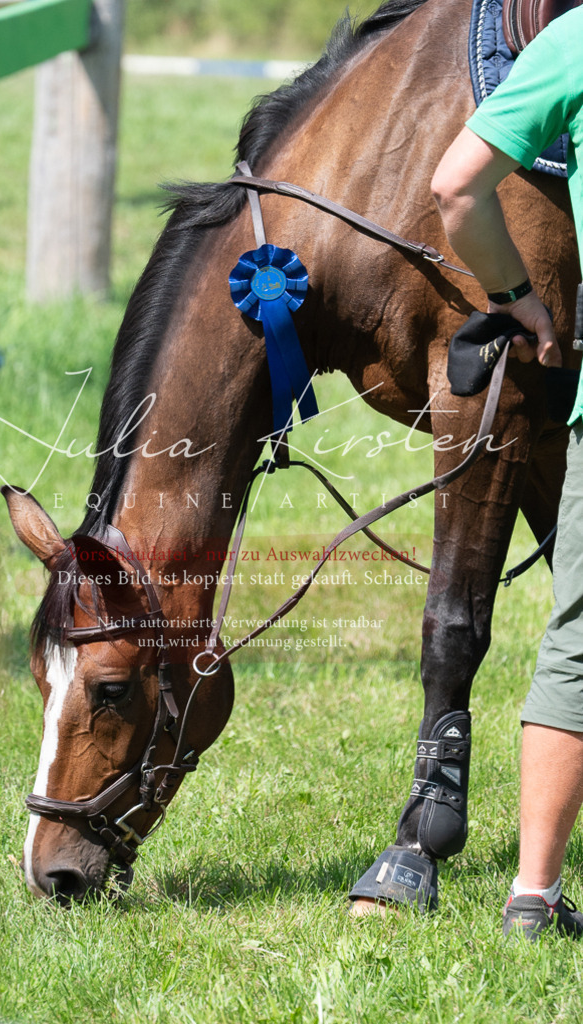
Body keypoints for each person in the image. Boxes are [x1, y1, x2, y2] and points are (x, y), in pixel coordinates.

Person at [431, 5, 583, 939]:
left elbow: (456, 189)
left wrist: (519, 299)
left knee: (578, 645)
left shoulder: (573, 39)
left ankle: (532, 894)